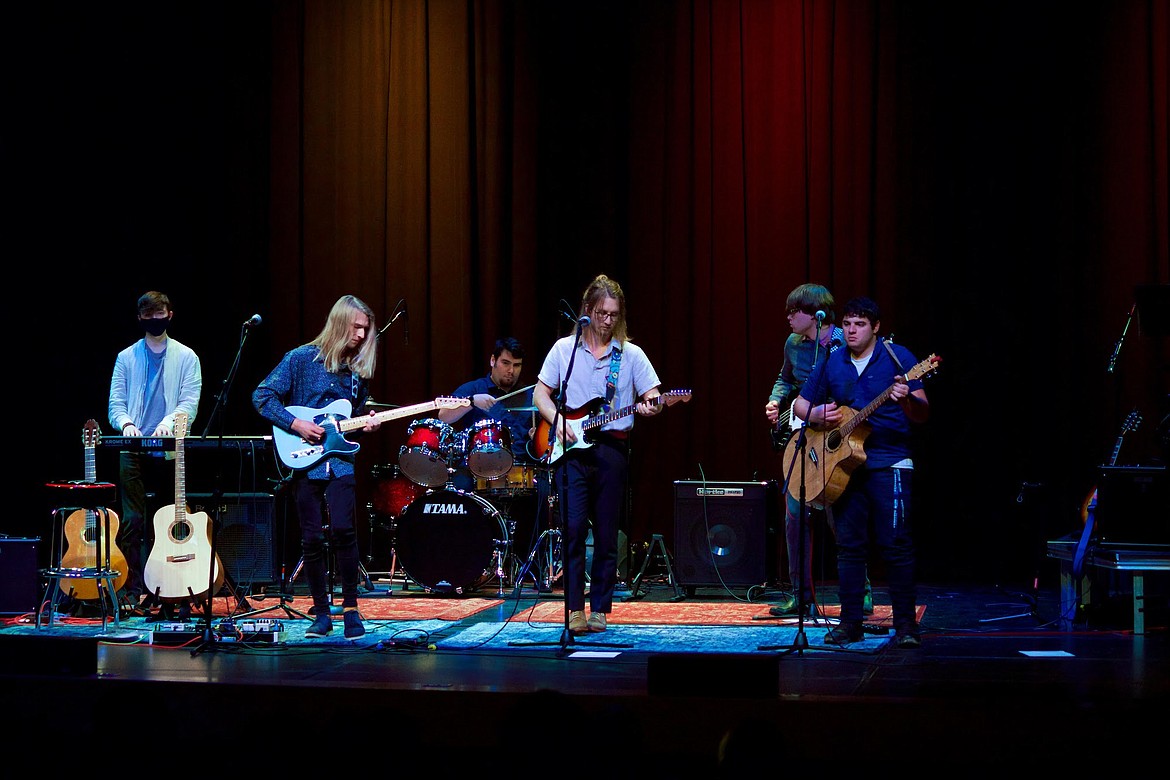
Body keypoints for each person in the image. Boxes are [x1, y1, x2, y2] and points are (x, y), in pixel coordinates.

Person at [792, 296, 929, 648]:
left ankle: (906, 627)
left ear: (876, 327)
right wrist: (817, 415)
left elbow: (922, 413)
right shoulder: (833, 360)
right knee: (849, 547)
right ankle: (849, 623)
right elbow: (800, 403)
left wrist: (906, 399)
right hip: (843, 467)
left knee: (896, 545)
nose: (852, 331)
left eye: (860, 324)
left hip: (889, 461)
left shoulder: (900, 359)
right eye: (848, 324)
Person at [533, 274, 663, 634]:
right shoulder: (564, 349)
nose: (608, 321)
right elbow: (540, 394)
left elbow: (652, 394)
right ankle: (573, 607)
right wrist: (556, 420)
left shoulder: (631, 354)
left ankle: (600, 608)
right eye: (603, 313)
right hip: (571, 451)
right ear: (588, 310)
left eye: (614, 314)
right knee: (572, 529)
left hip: (611, 449)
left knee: (607, 533)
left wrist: (654, 405)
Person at [252, 294, 382, 639]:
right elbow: (262, 396)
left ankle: (351, 609)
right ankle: (321, 613)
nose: (360, 334)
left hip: (339, 461)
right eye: (355, 327)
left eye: (365, 329)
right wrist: (296, 425)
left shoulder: (356, 373)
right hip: (303, 460)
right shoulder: (299, 359)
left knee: (344, 530)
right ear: (339, 323)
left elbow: (348, 420)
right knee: (311, 538)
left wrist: (365, 425)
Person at [763, 283, 871, 617]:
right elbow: (785, 378)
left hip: (837, 439)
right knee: (793, 515)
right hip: (805, 436)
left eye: (794, 311)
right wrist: (775, 400)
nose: (789, 317)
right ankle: (800, 594)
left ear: (815, 315)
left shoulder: (844, 342)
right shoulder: (793, 344)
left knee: (841, 519)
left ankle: (860, 591)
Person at [108, 291, 203, 614]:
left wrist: (169, 422)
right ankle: (132, 590)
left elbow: (189, 402)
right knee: (133, 521)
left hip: (169, 449)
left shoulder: (187, 357)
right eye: (148, 315)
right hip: (133, 448)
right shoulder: (126, 357)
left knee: (169, 522)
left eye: (159, 314)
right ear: (139, 319)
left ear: (170, 315)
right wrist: (127, 424)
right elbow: (116, 403)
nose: (154, 320)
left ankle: (170, 588)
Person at [435, 337, 552, 581]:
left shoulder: (531, 395)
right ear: (493, 361)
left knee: (545, 491)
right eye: (506, 363)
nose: (511, 371)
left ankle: (533, 568)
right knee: (459, 488)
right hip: (476, 469)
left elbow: (539, 447)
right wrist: (469, 403)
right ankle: (466, 565)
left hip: (519, 470)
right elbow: (443, 416)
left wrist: (535, 438)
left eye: (517, 365)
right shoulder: (473, 389)